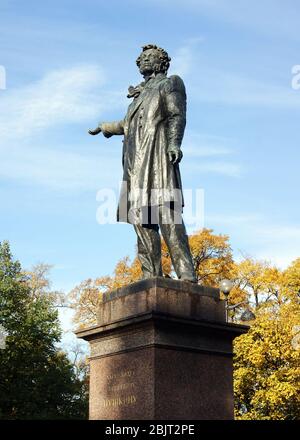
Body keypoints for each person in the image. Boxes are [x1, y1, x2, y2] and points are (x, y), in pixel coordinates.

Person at [89, 44, 196, 283]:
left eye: (151, 56)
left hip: (157, 156)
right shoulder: (138, 96)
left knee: (168, 215)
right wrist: (105, 127)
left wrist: (174, 143)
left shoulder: (170, 83)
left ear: (162, 62)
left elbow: (176, 114)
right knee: (140, 219)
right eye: (142, 57)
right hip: (135, 165)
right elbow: (125, 124)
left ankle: (186, 274)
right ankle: (151, 275)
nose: (144, 60)